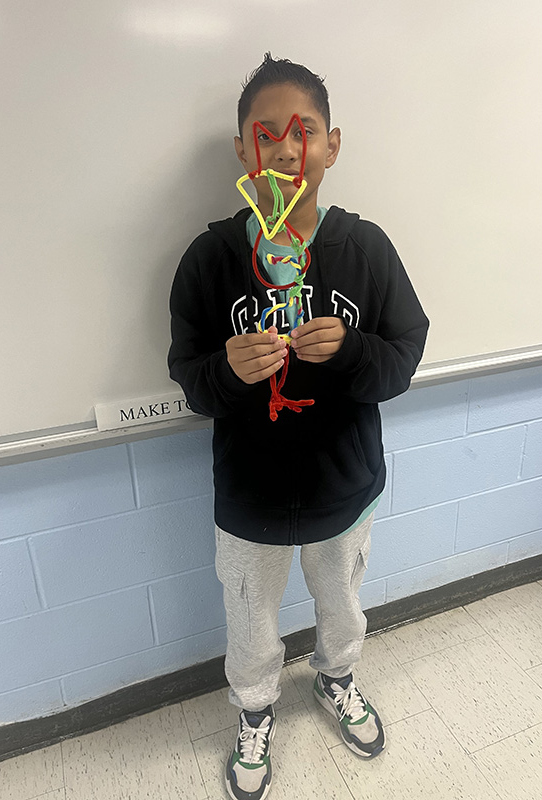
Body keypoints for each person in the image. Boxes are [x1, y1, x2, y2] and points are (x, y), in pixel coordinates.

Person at [168, 53, 429, 800]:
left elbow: (403, 359)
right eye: (265, 135)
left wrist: (351, 351)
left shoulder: (366, 249)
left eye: (303, 131)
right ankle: (254, 712)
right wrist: (226, 371)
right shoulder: (212, 259)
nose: (285, 148)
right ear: (243, 153)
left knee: (343, 600)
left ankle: (336, 677)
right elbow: (189, 379)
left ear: (332, 145)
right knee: (250, 618)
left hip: (344, 486)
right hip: (249, 497)